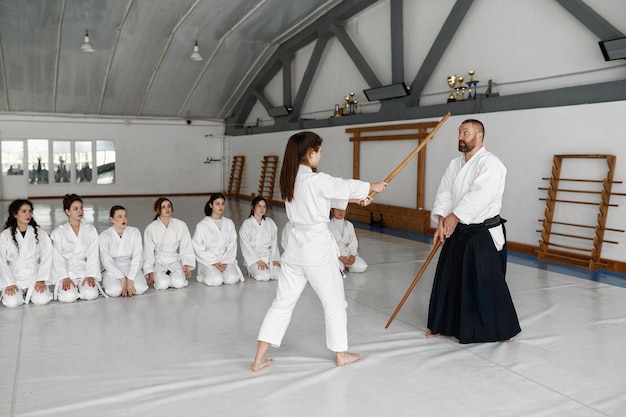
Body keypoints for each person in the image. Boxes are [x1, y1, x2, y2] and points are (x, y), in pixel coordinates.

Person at [252, 131, 387, 371]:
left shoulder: (290, 178)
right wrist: (370, 186)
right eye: (320, 152)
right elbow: (339, 185)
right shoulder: (315, 179)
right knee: (335, 302)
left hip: (294, 249)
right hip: (316, 249)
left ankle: (260, 358)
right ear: (311, 152)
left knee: (282, 303)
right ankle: (341, 354)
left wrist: (360, 199)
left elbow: (330, 195)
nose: (320, 156)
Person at [426, 119, 520, 344]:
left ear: (479, 136)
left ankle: (501, 329)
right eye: (459, 132)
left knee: (486, 282)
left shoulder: (491, 164)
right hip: (457, 228)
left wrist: (455, 216)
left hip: (481, 232)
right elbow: (445, 193)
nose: (460, 136)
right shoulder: (454, 164)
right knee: (448, 279)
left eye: (465, 132)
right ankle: (443, 324)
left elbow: (481, 194)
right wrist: (441, 220)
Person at [0, 200, 54, 308]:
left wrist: (41, 279)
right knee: (12, 303)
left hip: (34, 276)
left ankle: (30, 292)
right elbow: (1, 260)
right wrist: (9, 282)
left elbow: (47, 256)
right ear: (15, 214)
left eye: (30, 211)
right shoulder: (5, 235)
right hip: (14, 277)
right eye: (24, 211)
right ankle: (18, 293)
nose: (28, 214)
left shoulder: (39, 232)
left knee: (42, 300)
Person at [51, 194, 102, 302]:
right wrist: (64, 277)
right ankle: (73, 290)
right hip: (67, 272)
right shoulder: (58, 232)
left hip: (85, 271)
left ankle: (82, 289)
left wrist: (90, 275)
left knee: (91, 294)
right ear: (67, 212)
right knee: (68, 297)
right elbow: (57, 257)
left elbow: (93, 254)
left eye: (81, 208)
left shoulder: (90, 230)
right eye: (75, 209)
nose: (80, 211)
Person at [143, 197, 195, 290]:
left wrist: (186, 263)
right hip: (159, 262)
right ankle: (164, 278)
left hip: (174, 260)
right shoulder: (150, 228)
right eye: (163, 207)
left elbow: (186, 246)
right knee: (162, 284)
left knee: (179, 283)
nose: (167, 209)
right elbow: (148, 251)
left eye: (169, 206)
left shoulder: (180, 225)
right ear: (157, 210)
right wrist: (149, 270)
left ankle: (172, 277)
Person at [192, 193, 244, 286]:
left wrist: (224, 261)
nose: (220, 206)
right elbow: (198, 247)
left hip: (226, 259)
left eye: (222, 203)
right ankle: (202, 275)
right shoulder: (202, 225)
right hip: (209, 261)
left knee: (232, 279)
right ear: (211, 205)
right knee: (216, 280)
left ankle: (223, 271)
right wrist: (214, 262)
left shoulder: (229, 223)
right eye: (217, 204)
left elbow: (232, 244)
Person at [99, 205, 148, 297]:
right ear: (112, 219)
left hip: (131, 267)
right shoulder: (104, 235)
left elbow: (138, 257)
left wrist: (130, 278)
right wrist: (121, 278)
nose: (123, 219)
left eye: (125, 216)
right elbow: (106, 259)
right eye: (119, 217)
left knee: (140, 288)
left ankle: (131, 280)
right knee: (115, 291)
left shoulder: (134, 232)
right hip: (112, 269)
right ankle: (119, 282)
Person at [239, 196, 281, 281]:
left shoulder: (270, 223)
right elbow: (245, 246)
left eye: (264, 206)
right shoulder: (247, 225)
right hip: (254, 258)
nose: (262, 209)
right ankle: (251, 270)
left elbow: (274, 243)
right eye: (259, 206)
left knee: (278, 275)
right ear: (253, 208)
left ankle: (268, 266)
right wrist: (258, 261)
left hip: (268, 257)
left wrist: (275, 259)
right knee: (264, 277)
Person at [329, 207, 367, 273]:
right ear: (332, 211)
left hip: (348, 254)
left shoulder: (349, 225)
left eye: (342, 209)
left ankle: (347, 266)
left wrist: (352, 255)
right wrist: (339, 257)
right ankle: (342, 266)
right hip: (335, 256)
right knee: (337, 269)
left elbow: (353, 242)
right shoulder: (327, 226)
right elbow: (328, 245)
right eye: (337, 210)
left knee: (362, 266)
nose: (340, 212)